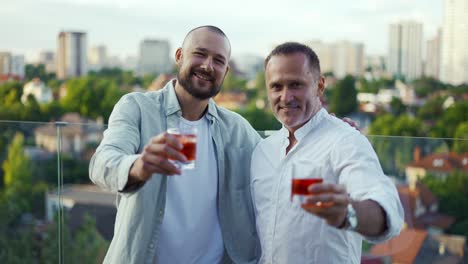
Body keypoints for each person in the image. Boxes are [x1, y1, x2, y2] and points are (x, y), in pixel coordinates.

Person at [89, 25, 261, 264]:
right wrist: (139, 166)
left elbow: (276, 170)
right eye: (200, 54)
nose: (208, 66)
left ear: (226, 70)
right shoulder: (136, 107)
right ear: (179, 56)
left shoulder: (237, 129)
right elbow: (102, 164)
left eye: (218, 60)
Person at [250, 42, 404, 264]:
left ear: (319, 86)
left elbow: (387, 208)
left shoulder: (346, 141)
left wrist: (349, 213)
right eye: (276, 87)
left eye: (296, 85)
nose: (285, 97)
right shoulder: (262, 151)